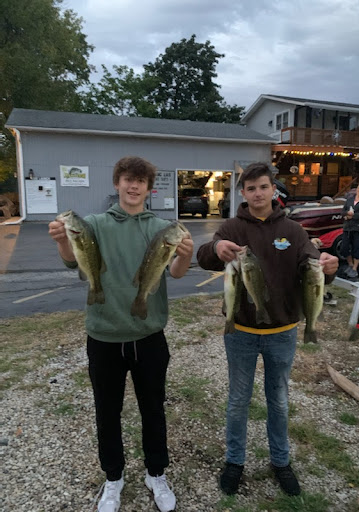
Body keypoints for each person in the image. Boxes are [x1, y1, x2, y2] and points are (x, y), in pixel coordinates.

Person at [48, 156, 193, 512]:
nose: (133, 186)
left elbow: (175, 273)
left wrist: (186, 255)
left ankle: (155, 473)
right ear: (116, 183)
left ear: (149, 187)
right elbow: (72, 260)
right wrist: (63, 241)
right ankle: (113, 478)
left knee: (153, 410)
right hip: (103, 335)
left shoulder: (162, 227)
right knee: (107, 411)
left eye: (140, 181)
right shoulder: (94, 223)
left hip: (149, 336)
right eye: (127, 179)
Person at [197, 163, 338, 497]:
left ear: (273, 190)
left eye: (263, 187)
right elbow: (205, 257)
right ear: (242, 193)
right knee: (238, 400)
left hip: (284, 330)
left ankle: (281, 461)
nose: (257, 193)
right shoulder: (232, 226)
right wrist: (216, 249)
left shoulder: (294, 229)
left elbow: (313, 267)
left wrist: (327, 268)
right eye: (251, 188)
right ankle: (235, 461)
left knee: (278, 400)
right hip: (241, 330)